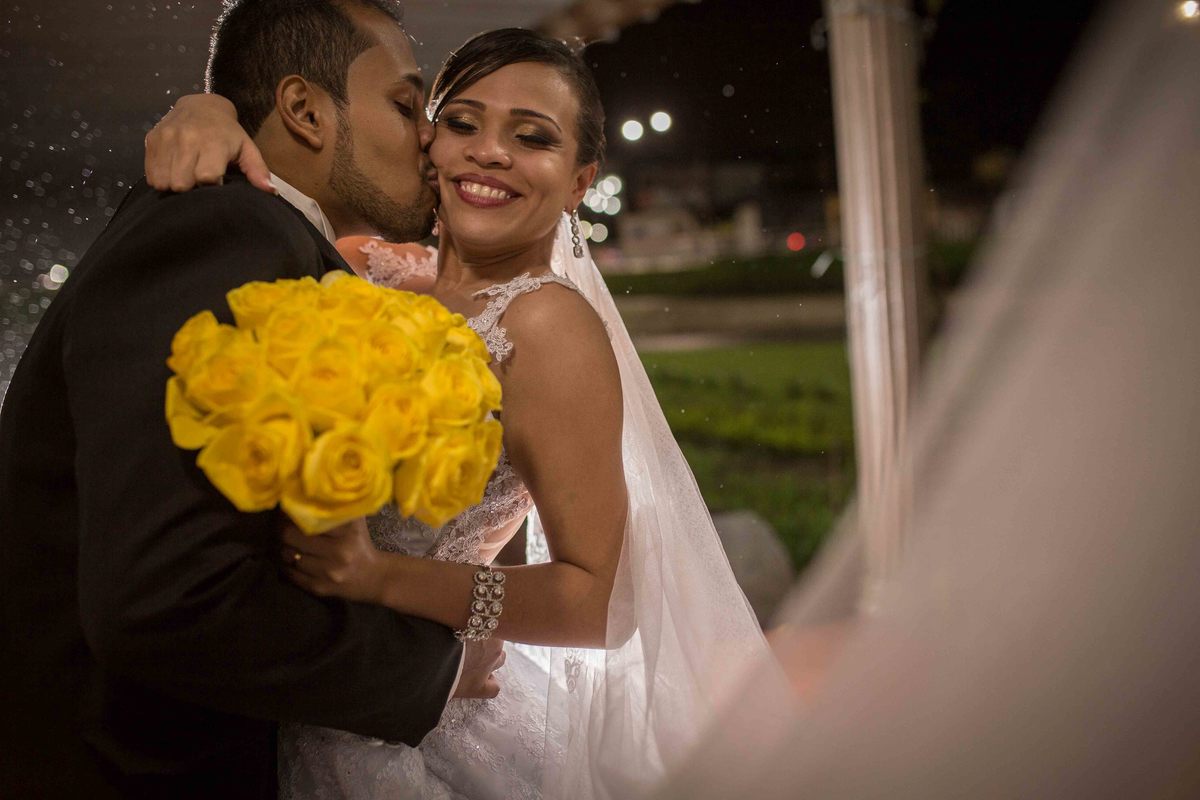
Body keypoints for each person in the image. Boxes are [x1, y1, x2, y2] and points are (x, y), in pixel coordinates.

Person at [146, 27, 784, 800]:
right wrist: (210, 112)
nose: (489, 152)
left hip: (408, 726)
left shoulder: (547, 328)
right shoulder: (361, 269)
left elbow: (598, 602)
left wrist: (382, 578)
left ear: (580, 181)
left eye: (532, 137)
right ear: (428, 142)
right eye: (462, 122)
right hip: (282, 691)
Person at [0, 2, 505, 798]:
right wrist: (433, 670)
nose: (429, 139)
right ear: (304, 110)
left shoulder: (272, 237)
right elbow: (165, 598)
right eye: (407, 105)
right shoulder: (227, 227)